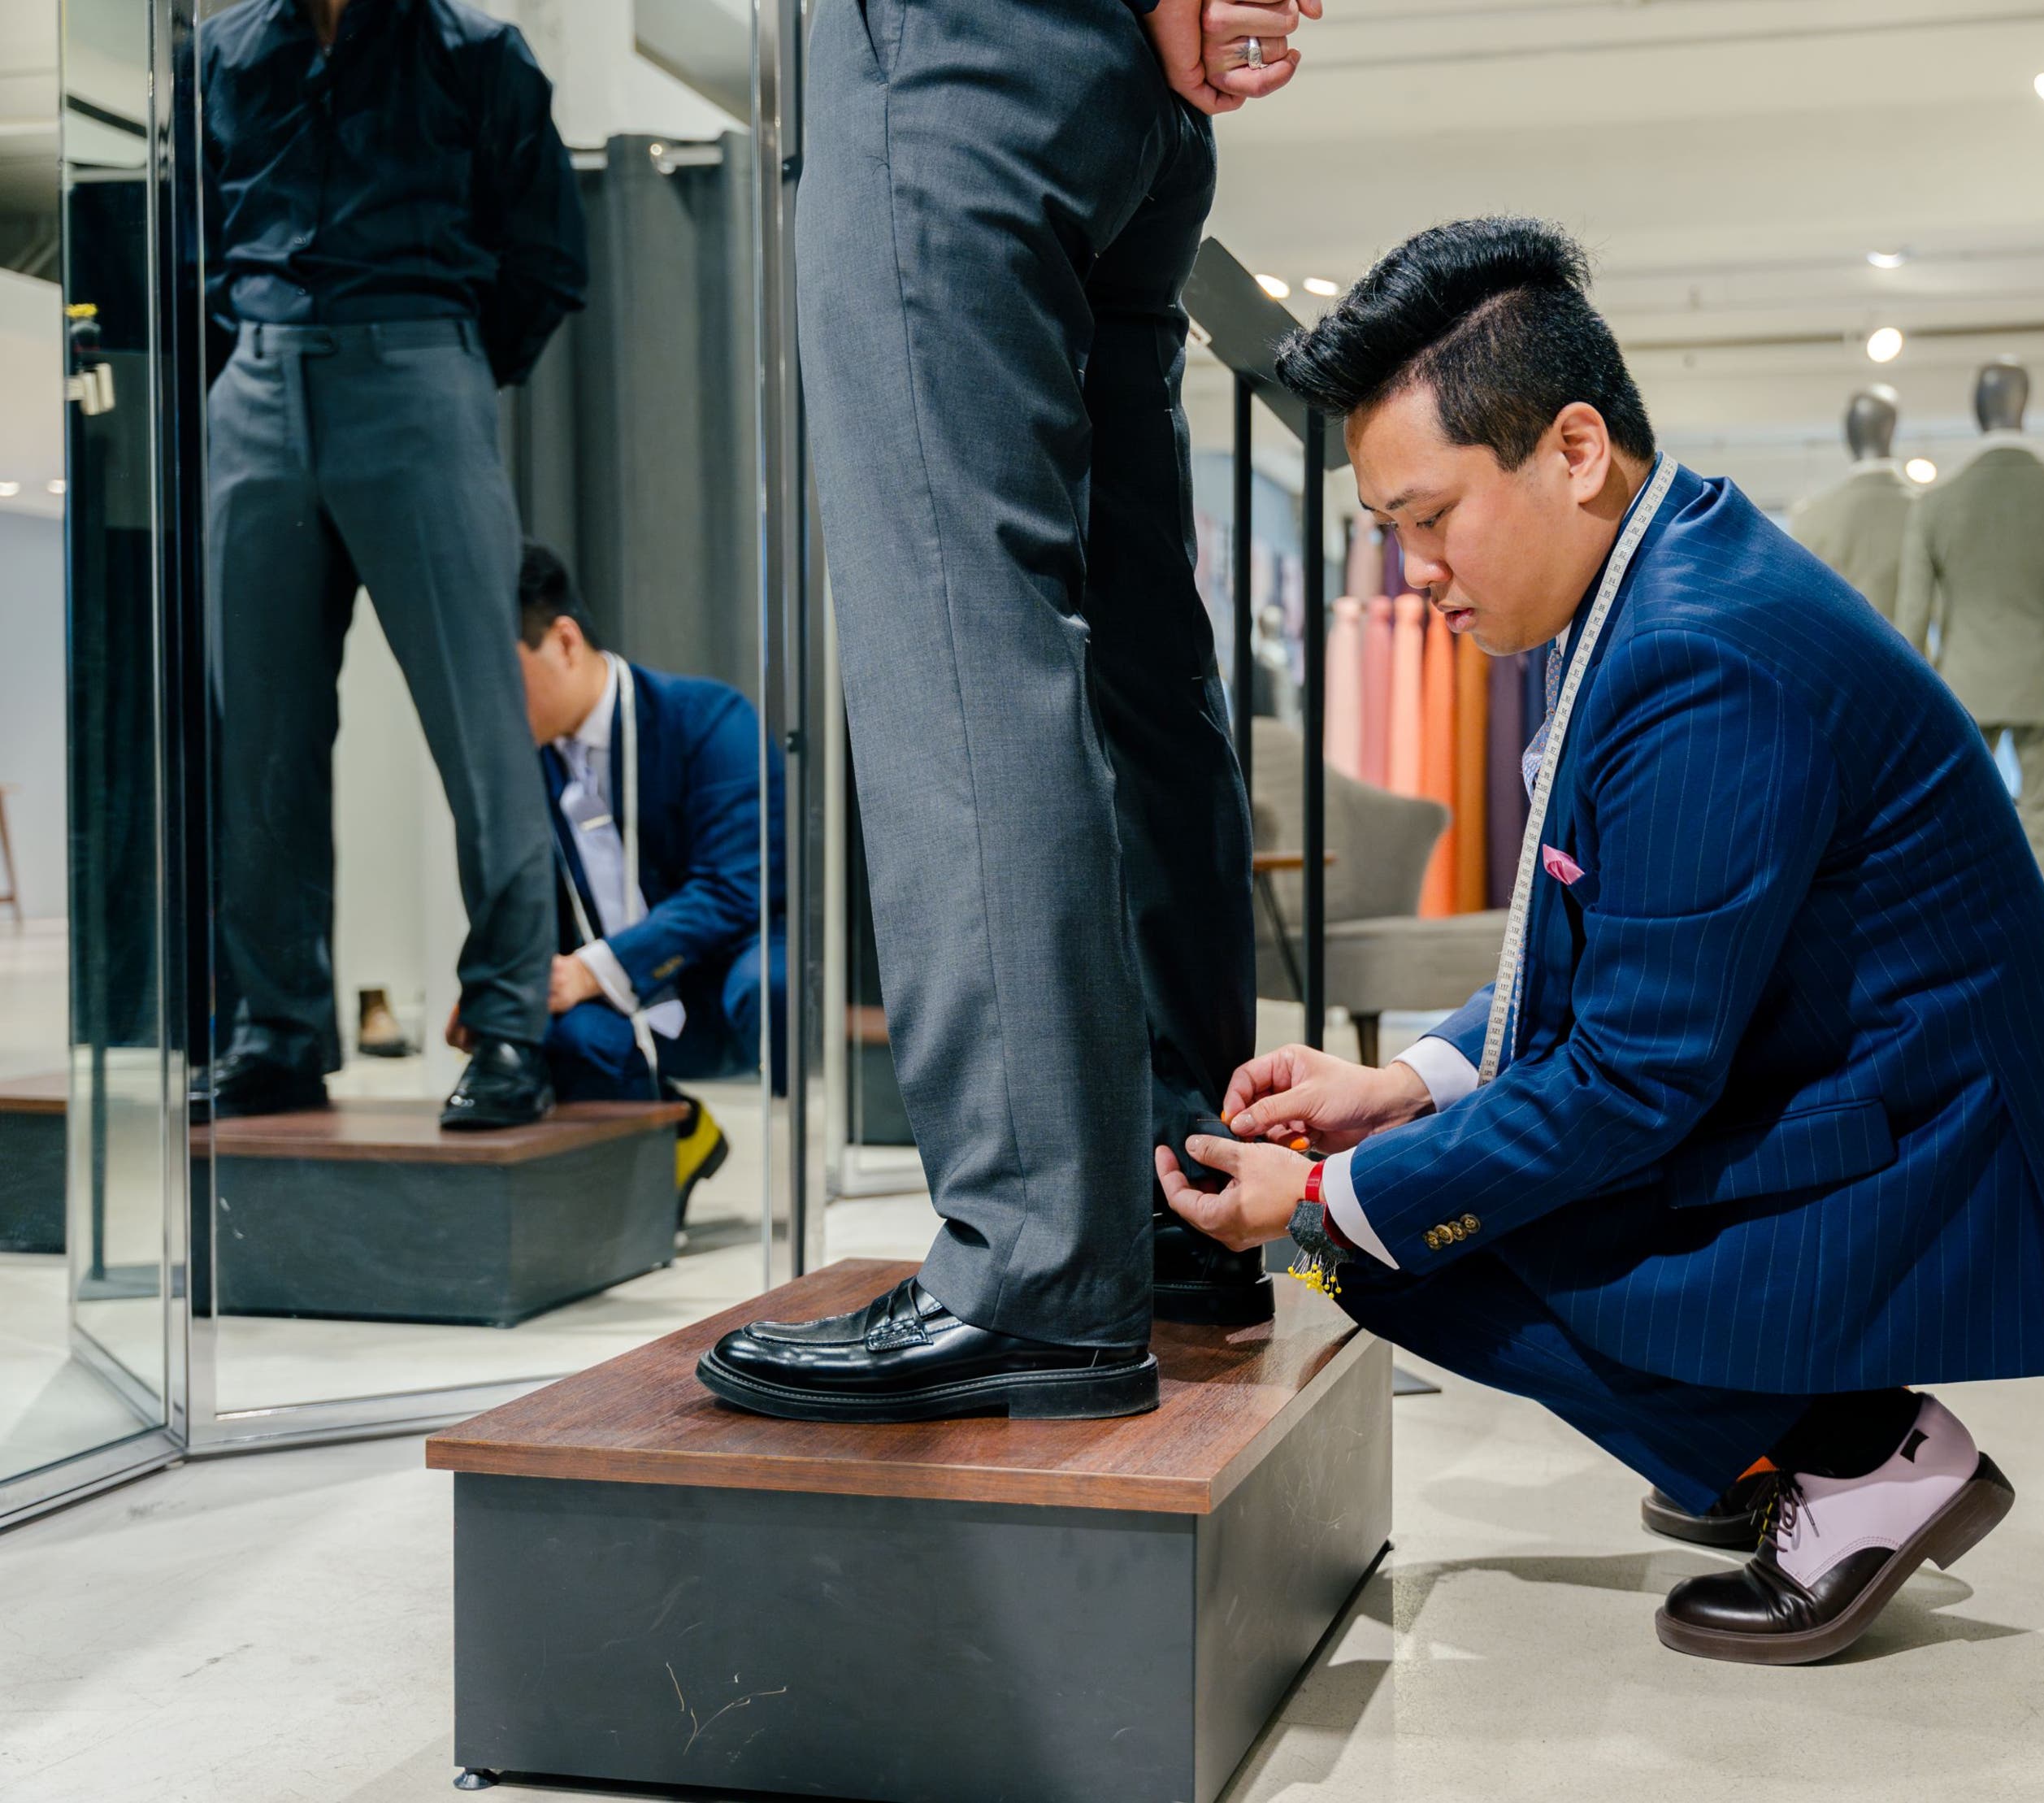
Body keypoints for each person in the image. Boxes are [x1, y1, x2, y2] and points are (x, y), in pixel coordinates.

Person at [1155, 219, 2044, 1666]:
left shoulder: (1701, 656)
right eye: (1396, 532)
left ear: (1571, 448)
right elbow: (1606, 938)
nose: (1420, 568)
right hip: (1852, 1070)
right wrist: (1412, 1081)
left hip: (1911, 1134)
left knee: (1362, 1243)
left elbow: (1629, 1079)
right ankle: (1765, 1439)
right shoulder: (1660, 574)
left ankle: (1855, 1455)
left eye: (1433, 516)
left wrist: (1323, 1188)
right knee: (1403, 1181)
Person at [695, 0, 1321, 1426]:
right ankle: (1182, 1198)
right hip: (1111, 88)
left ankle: (1036, 1265)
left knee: (958, 640)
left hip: (944, 54)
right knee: (1133, 653)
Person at [196, 0, 584, 1130]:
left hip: (420, 365)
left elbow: (546, 252)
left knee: (480, 727)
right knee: (258, 734)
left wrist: (448, 369)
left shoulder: (479, 54)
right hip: (257, 382)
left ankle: (510, 1024)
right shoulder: (220, 52)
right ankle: (276, 1028)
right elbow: (199, 233)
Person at [503, 543, 783, 1217]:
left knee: (768, 985)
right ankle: (674, 1140)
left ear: (564, 641)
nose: (494, 705)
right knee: (547, 1028)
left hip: (722, 974)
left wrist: (596, 969)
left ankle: (802, 1194)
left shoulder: (707, 718)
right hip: (623, 997)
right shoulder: (524, 764)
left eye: (504, 677)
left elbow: (735, 889)